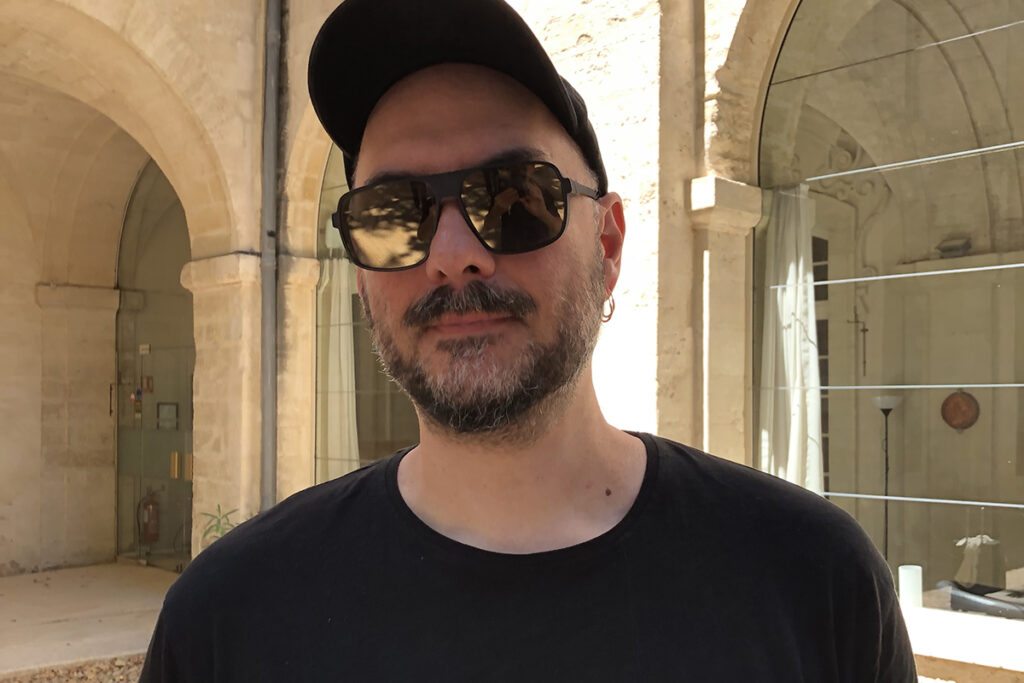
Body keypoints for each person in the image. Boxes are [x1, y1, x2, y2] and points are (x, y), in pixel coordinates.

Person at [140, 0, 917, 680]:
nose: (452, 255)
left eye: (514, 198)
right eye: (391, 215)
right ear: (360, 270)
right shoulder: (226, 619)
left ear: (608, 244)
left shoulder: (813, 581)